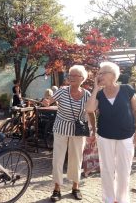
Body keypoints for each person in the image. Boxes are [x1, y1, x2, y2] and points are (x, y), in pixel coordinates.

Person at [86, 62, 136, 203]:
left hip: (126, 136)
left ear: (113, 75)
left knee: (124, 171)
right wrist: (95, 88)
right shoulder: (99, 94)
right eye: (99, 73)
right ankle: (109, 200)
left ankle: (122, 200)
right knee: (107, 170)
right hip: (105, 137)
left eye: (102, 73)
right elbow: (90, 109)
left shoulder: (127, 89)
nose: (99, 75)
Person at [42, 65, 92, 202]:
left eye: (75, 76)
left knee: (77, 158)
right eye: (70, 75)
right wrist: (46, 101)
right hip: (61, 128)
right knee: (58, 158)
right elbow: (49, 100)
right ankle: (57, 189)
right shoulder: (62, 91)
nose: (71, 78)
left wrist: (93, 128)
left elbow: (91, 111)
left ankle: (75, 187)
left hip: (78, 130)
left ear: (82, 78)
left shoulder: (87, 94)